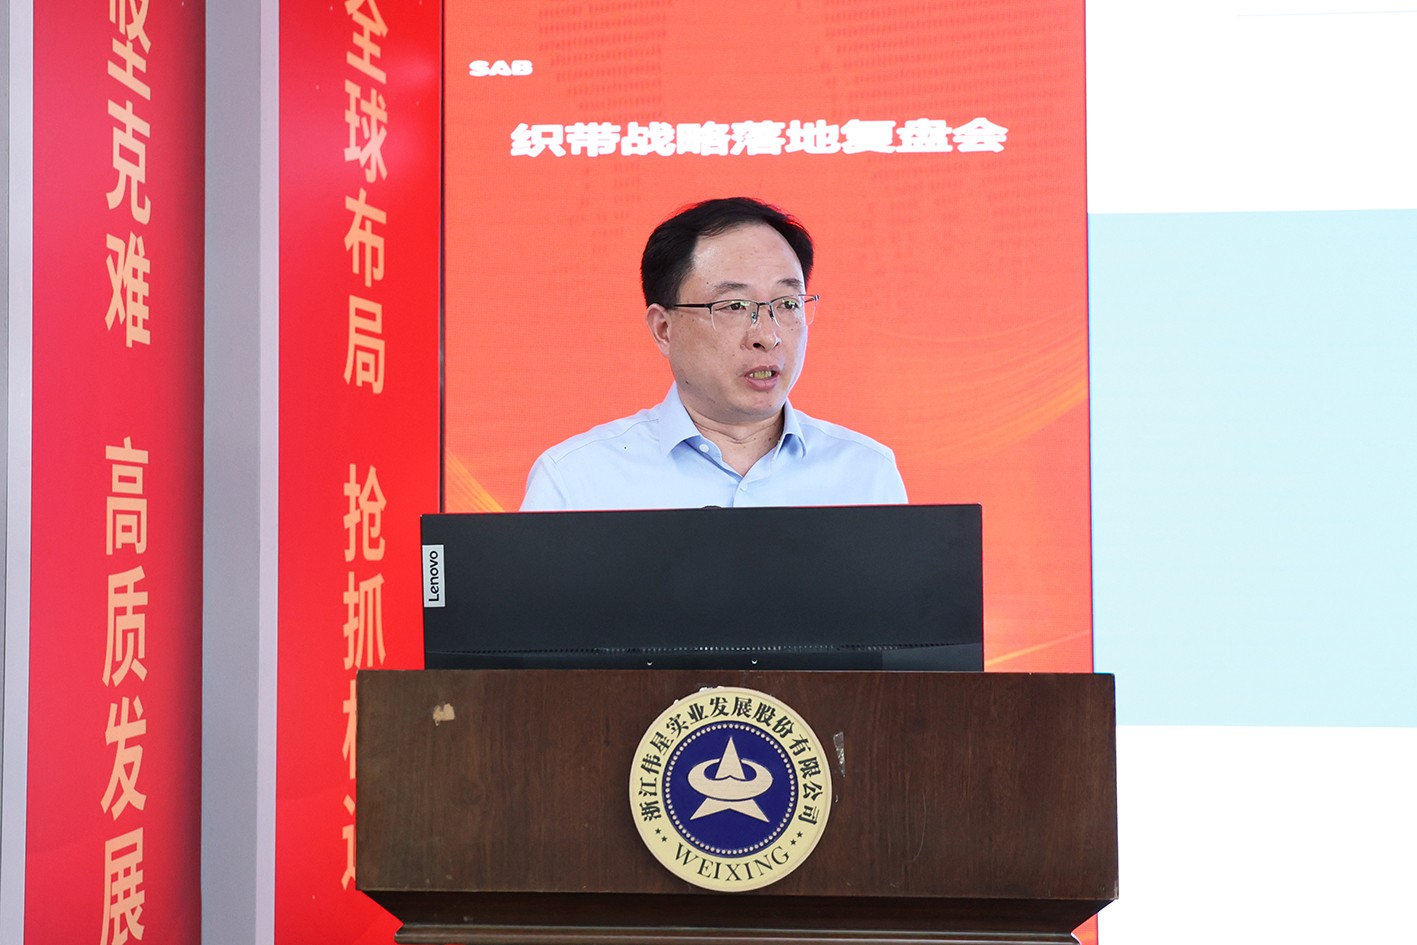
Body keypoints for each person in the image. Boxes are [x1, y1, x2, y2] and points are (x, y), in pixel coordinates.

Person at [521, 197, 907, 510]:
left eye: (788, 304)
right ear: (663, 329)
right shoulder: (577, 480)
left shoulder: (865, 474)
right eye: (734, 306)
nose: (767, 336)